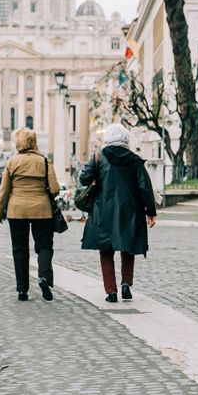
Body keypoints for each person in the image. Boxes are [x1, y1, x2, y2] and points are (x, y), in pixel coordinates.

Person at [78, 124, 157, 303]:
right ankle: (126, 284)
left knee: (106, 250)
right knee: (128, 247)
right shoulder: (135, 160)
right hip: (131, 210)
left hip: (103, 209)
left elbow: (84, 178)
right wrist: (151, 211)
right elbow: (145, 187)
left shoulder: (99, 157)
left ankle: (111, 291)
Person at [0, 128, 61, 301]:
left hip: (17, 210)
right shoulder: (44, 162)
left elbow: (3, 191)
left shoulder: (12, 162)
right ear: (34, 142)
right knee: (44, 246)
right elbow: (55, 189)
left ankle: (22, 290)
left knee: (20, 249)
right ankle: (44, 276)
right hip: (42, 210)